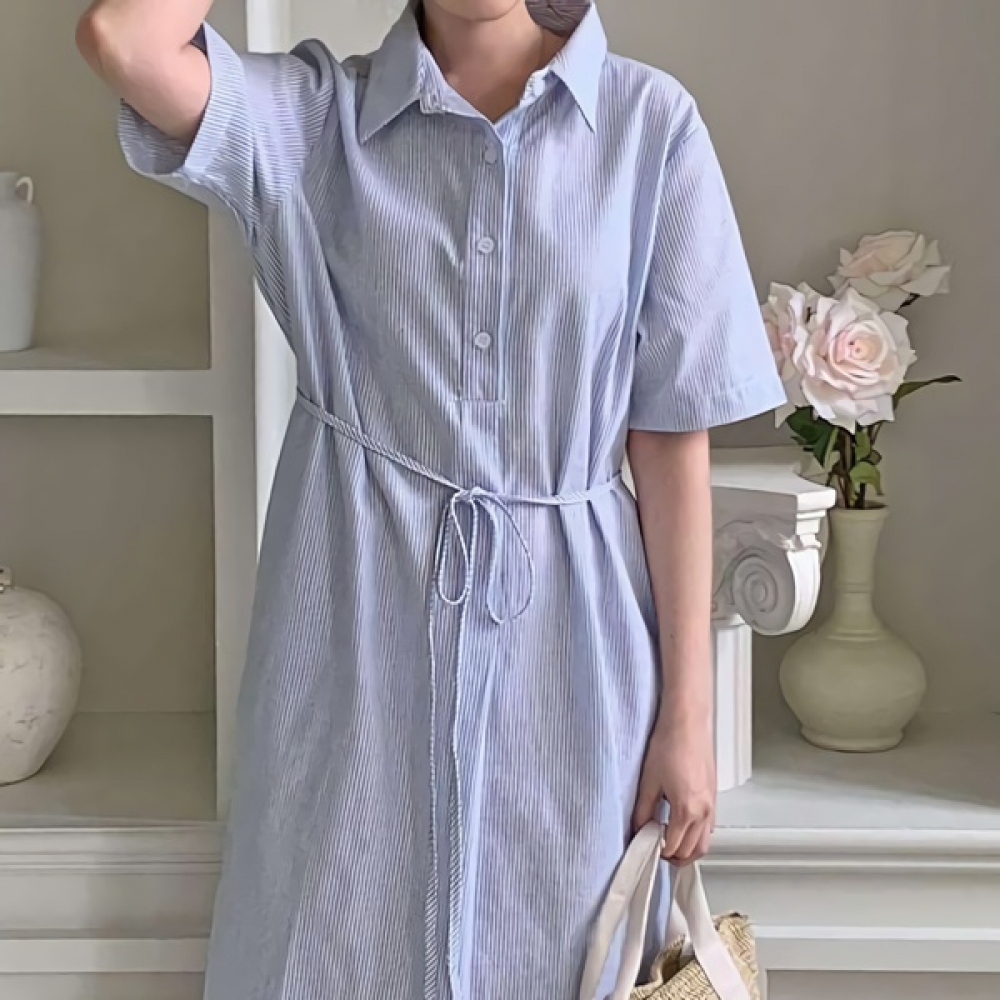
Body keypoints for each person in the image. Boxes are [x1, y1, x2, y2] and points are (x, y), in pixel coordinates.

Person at [77, 1, 785, 998]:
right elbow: (123, 39)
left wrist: (688, 718)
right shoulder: (315, 120)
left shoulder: (647, 125)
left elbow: (669, 440)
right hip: (351, 643)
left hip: (576, 665)